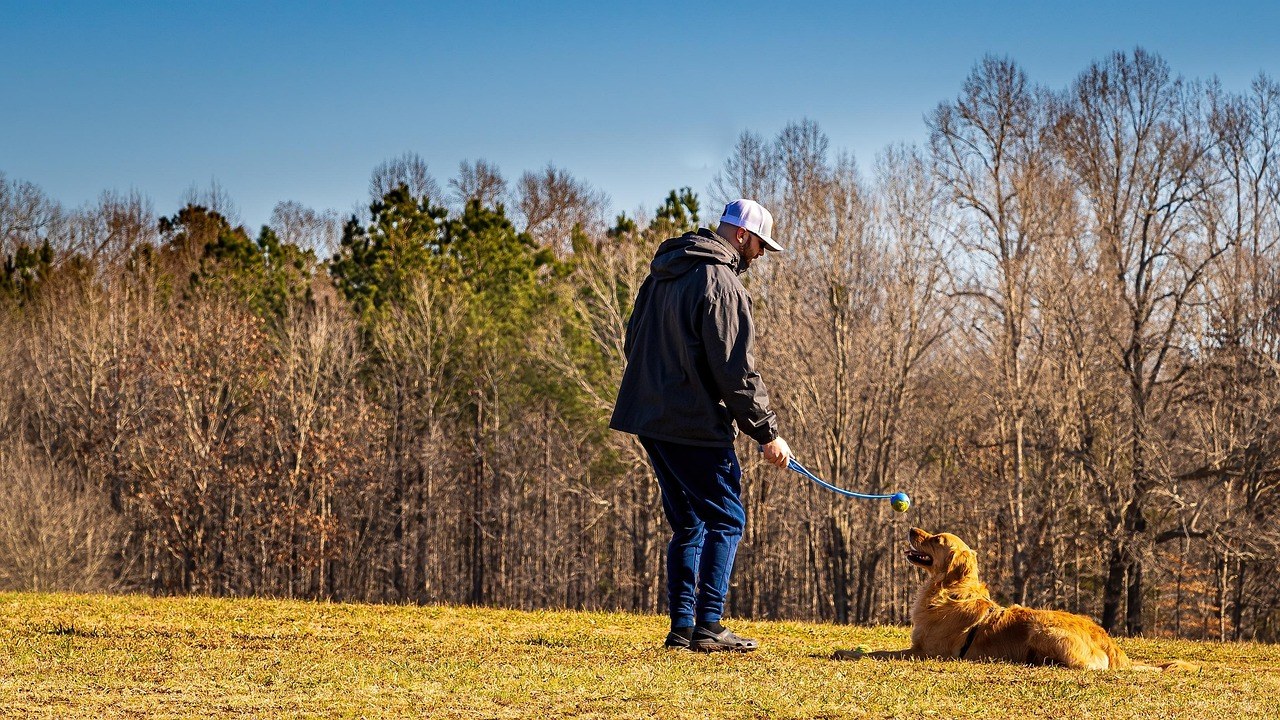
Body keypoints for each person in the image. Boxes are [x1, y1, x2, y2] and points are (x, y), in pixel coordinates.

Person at [610, 198, 793, 653]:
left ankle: (682, 629)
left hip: (651, 420)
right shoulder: (723, 283)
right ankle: (709, 625)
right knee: (727, 518)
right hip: (692, 424)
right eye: (761, 246)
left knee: (688, 525)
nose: (762, 255)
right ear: (742, 236)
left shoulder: (661, 274)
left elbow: (632, 341)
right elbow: (736, 372)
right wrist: (768, 433)